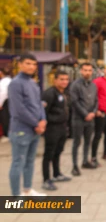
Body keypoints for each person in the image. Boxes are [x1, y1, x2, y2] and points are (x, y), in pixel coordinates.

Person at [8, 54, 47, 196]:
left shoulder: (33, 83)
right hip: (21, 130)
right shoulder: (15, 83)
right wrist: (36, 123)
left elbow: (39, 103)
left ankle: (27, 189)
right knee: (18, 162)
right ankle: (16, 195)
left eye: (34, 64)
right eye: (28, 63)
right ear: (20, 64)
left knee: (30, 161)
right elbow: (18, 109)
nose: (31, 67)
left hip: (35, 130)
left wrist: (43, 119)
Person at [41, 70, 72, 191]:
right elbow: (43, 112)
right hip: (52, 128)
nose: (64, 82)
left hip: (62, 127)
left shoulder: (65, 93)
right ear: (55, 80)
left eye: (66, 79)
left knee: (58, 151)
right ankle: (46, 179)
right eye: (61, 79)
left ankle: (57, 173)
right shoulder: (49, 93)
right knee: (48, 153)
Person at [70, 63, 98, 176]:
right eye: (85, 70)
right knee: (77, 142)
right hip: (79, 119)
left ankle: (85, 161)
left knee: (88, 141)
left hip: (90, 118)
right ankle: (74, 165)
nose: (87, 72)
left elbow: (96, 100)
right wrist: (85, 114)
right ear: (81, 71)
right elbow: (75, 102)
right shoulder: (75, 85)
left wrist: (93, 112)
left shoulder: (93, 85)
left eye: (90, 70)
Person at [0, 67, 12, 143]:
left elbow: (3, 93)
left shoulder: (3, 82)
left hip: (5, 102)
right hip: (11, 101)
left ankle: (7, 135)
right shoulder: (11, 80)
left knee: (5, 118)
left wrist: (0, 103)